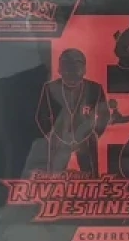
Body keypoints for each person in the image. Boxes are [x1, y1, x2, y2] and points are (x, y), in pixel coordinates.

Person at [36, 48, 109, 176]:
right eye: (67, 70)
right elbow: (41, 116)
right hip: (59, 139)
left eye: (76, 70)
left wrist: (95, 134)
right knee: (53, 180)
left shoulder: (95, 88)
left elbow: (104, 115)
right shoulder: (50, 88)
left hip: (86, 139)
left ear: (84, 70)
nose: (71, 75)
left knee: (92, 179)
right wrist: (50, 135)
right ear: (60, 70)